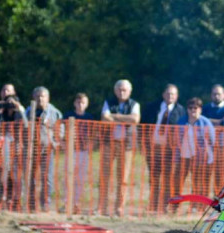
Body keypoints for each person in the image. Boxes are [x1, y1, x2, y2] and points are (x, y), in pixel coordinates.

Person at [98, 79, 140, 216]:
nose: (122, 92)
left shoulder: (134, 104)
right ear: (115, 90)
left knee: (123, 178)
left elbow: (135, 119)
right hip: (109, 143)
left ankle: (119, 208)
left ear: (130, 91)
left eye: (124, 90)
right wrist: (124, 118)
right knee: (105, 176)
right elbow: (104, 118)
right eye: (119, 89)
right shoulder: (108, 102)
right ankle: (102, 207)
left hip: (126, 145)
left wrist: (114, 117)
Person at [0, 84, 27, 210]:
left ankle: (14, 200)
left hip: (16, 146)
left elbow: (26, 125)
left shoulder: (19, 110)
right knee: (0, 175)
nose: (10, 105)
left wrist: (18, 108)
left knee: (15, 175)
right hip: (1, 145)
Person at [146, 84, 183, 213]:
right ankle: (153, 205)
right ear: (163, 95)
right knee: (154, 177)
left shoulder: (181, 111)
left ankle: (164, 205)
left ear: (177, 96)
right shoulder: (152, 107)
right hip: (154, 148)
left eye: (173, 94)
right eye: (168, 93)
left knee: (167, 178)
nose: (170, 96)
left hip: (170, 150)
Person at [25, 87, 62, 212]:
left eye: (43, 96)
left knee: (47, 178)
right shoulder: (28, 111)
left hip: (47, 149)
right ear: (33, 98)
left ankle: (45, 203)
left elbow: (60, 131)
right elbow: (21, 128)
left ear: (48, 98)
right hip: (31, 150)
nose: (40, 99)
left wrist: (55, 144)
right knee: (31, 177)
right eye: (37, 96)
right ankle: (31, 204)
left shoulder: (55, 112)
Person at [64, 93, 97, 214]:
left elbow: (93, 134)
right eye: (78, 102)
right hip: (71, 151)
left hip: (83, 151)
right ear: (74, 103)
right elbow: (61, 131)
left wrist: (90, 145)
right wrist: (63, 144)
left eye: (83, 102)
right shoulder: (68, 115)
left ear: (86, 104)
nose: (80, 105)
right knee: (68, 177)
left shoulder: (89, 117)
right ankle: (68, 202)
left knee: (80, 178)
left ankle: (77, 203)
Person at [176, 97, 215, 198]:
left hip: (201, 158)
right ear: (187, 109)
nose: (193, 110)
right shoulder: (181, 121)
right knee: (178, 181)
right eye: (190, 107)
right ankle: (175, 205)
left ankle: (197, 206)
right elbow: (176, 140)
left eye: (196, 108)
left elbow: (212, 141)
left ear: (200, 109)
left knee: (198, 182)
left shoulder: (206, 123)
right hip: (184, 156)